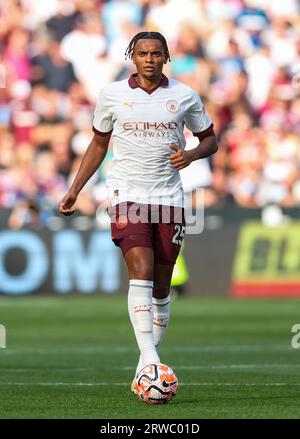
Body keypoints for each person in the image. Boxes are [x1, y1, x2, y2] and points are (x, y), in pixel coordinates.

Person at [59, 31, 218, 394]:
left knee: (162, 286)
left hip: (170, 199)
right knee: (141, 271)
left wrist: (191, 155)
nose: (149, 59)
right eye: (143, 53)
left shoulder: (184, 95)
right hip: (126, 194)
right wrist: (74, 190)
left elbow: (211, 139)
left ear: (166, 57)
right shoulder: (112, 94)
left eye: (156, 53)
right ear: (133, 56)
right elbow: (99, 143)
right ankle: (150, 360)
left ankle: (145, 366)